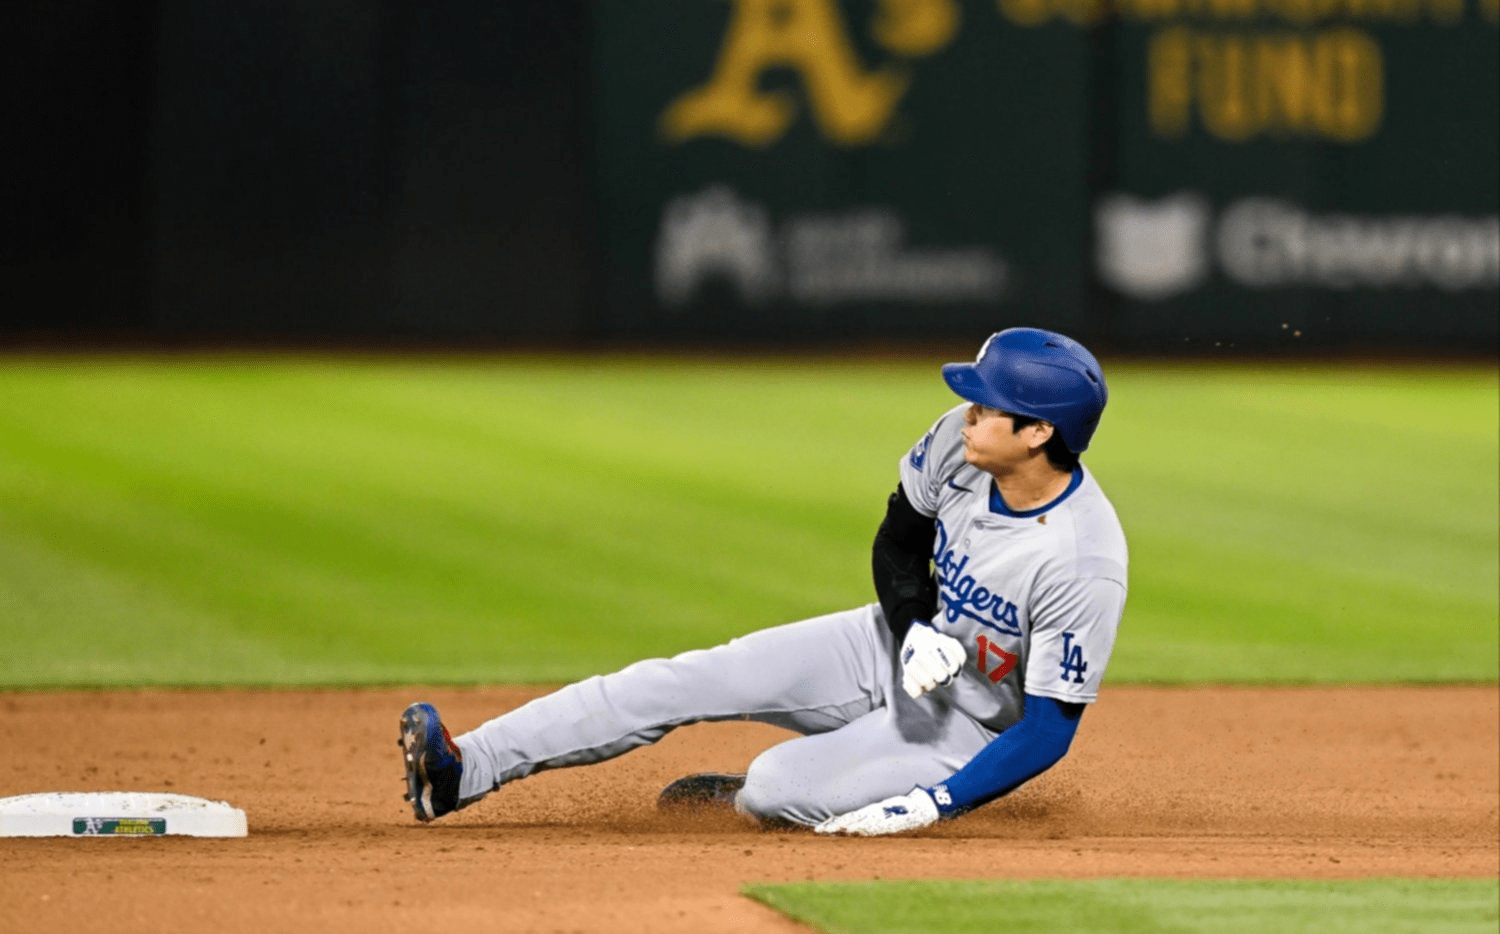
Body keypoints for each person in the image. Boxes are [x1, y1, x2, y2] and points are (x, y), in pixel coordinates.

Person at [399, 327, 1127, 836]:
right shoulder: (958, 441)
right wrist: (908, 628)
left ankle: (761, 799)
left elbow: (1046, 731)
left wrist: (936, 803)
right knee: (683, 679)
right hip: (896, 645)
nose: (968, 410)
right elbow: (898, 540)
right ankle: (465, 769)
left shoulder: (1080, 558)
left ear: (1037, 433)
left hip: (968, 726)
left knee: (778, 785)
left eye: (988, 403)